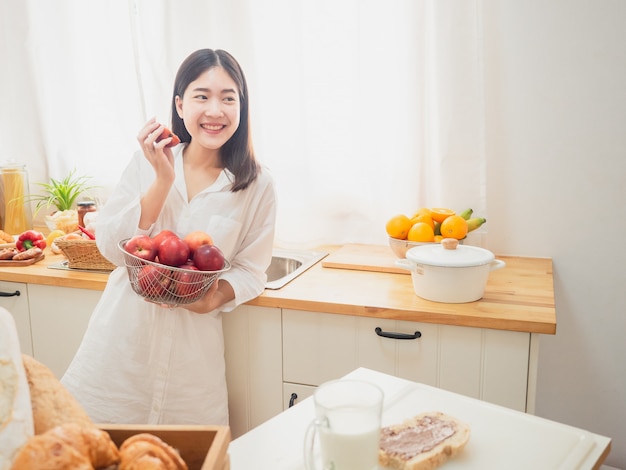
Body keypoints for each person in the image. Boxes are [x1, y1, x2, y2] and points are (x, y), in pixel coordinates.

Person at [61, 49, 276, 426]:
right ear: (180, 104)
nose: (215, 111)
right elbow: (112, 248)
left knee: (189, 456)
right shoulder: (149, 161)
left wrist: (210, 300)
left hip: (192, 366)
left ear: (242, 107)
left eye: (229, 98)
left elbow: (251, 270)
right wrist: (162, 180)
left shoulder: (257, 184)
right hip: (120, 349)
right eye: (201, 96)